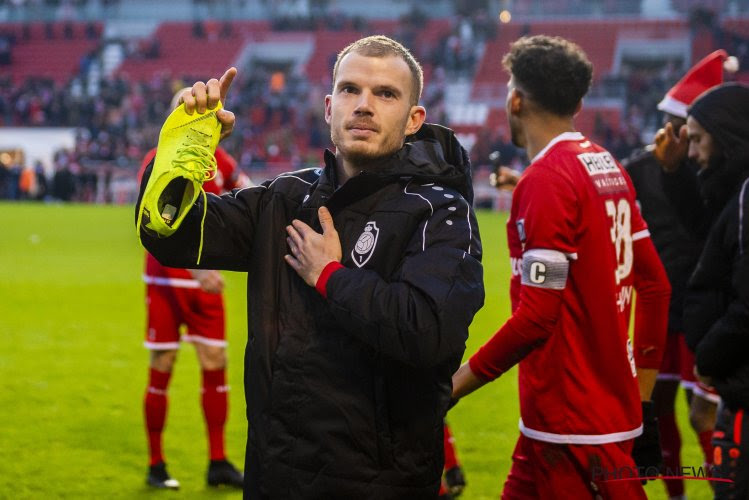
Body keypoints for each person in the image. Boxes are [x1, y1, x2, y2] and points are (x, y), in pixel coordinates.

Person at [136, 35, 484, 498]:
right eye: (349, 90)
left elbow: (427, 332)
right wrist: (185, 146)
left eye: (385, 94)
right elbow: (173, 236)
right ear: (328, 107)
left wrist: (331, 278)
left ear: (414, 119)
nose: (363, 105)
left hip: (383, 484)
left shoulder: (439, 211)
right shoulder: (284, 198)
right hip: (273, 475)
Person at [450, 35, 671, 499]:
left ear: (515, 99)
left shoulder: (547, 181)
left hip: (573, 431)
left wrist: (453, 385)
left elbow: (536, 317)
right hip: (579, 421)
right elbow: (654, 286)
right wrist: (645, 399)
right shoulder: (605, 164)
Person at [622, 50, 736, 499]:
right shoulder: (638, 167)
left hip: (704, 306)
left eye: (686, 127)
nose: (675, 134)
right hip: (659, 303)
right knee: (658, 404)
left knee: (702, 410)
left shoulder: (719, 175)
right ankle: (677, 494)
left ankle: (724, 486)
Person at [139, 88, 249, 490]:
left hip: (207, 279)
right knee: (163, 365)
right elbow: (153, 220)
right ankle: (156, 464)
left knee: (215, 361)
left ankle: (218, 462)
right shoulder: (157, 161)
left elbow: (250, 196)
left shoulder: (220, 161)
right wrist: (194, 270)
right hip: (168, 280)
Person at [682, 82, 749, 499]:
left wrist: (709, 356)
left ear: (726, 136)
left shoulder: (747, 198)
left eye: (697, 139)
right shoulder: (736, 194)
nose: (691, 152)